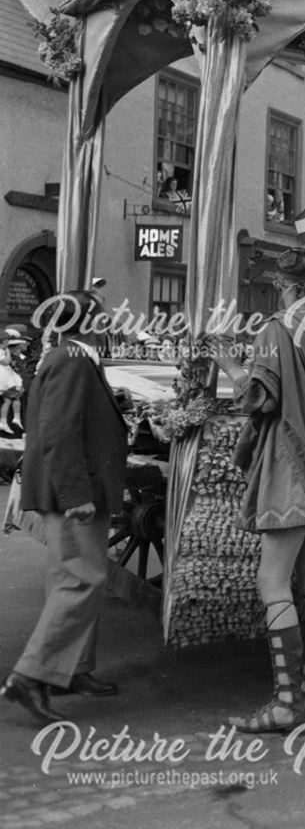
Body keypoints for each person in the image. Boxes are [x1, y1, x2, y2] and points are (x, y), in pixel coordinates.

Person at [212, 249, 305, 731]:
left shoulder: (278, 328)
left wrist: (231, 365)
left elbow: (260, 397)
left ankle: (285, 706)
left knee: (272, 582)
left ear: (285, 286)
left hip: (293, 466)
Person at [1, 291, 129, 725]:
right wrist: (77, 497)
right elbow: (57, 433)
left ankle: (72, 669)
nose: (110, 319)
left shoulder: (70, 355)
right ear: (90, 320)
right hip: (74, 490)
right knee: (81, 580)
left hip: (70, 485)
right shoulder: (73, 359)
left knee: (69, 578)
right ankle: (30, 677)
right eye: (103, 312)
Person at [0, 328, 26, 434]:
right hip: (4, 381)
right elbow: (6, 362)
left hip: (7, 380)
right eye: (6, 341)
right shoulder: (4, 352)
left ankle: (5, 421)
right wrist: (7, 352)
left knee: (9, 400)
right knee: (14, 397)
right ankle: (13, 419)